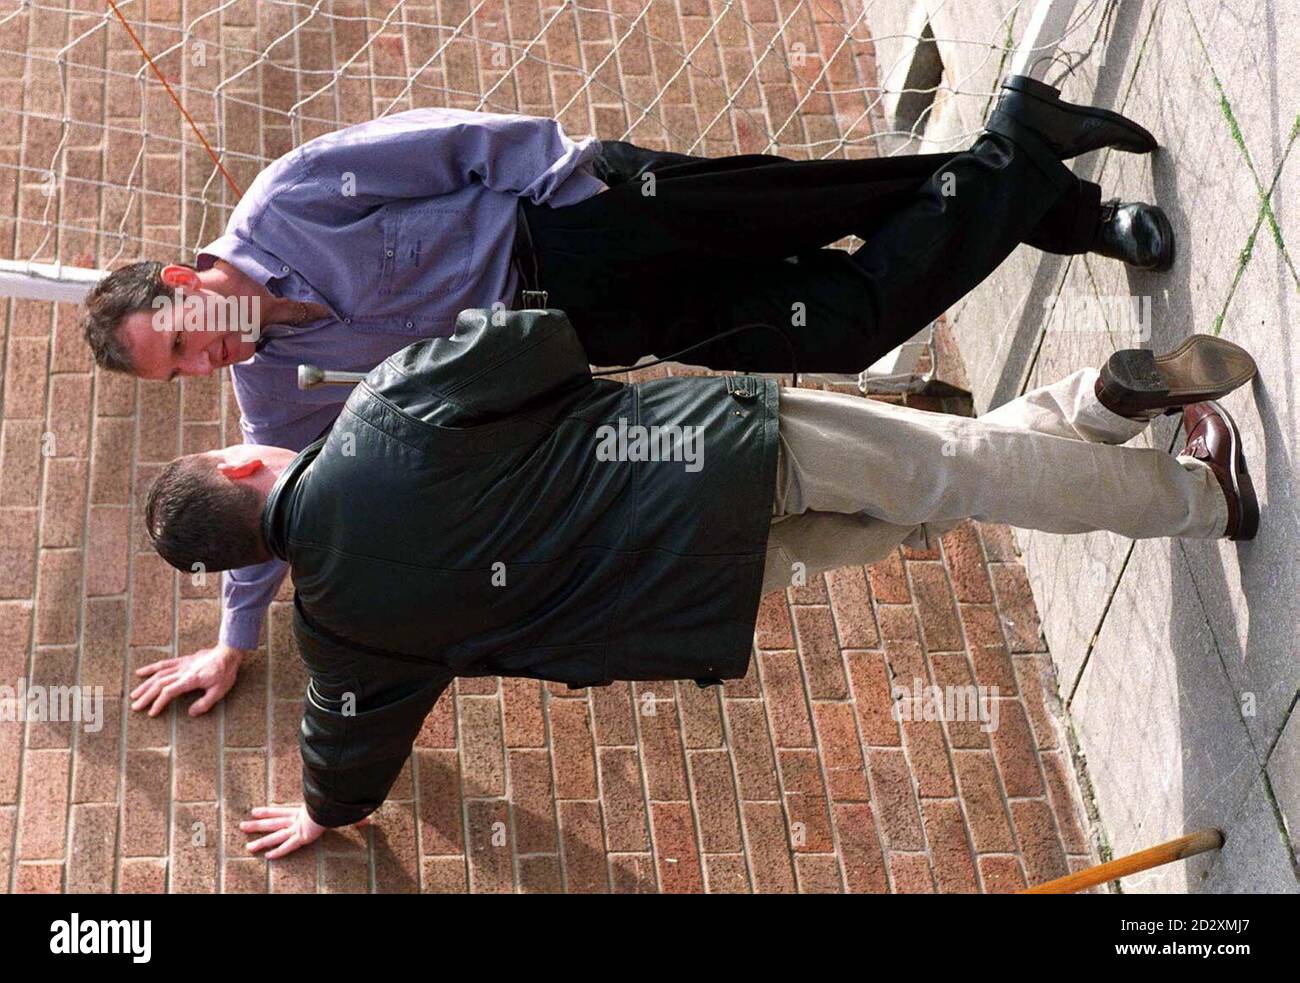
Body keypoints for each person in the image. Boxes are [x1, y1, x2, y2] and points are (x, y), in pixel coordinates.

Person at [85, 75, 1175, 717]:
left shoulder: (294, 197)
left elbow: (467, 144)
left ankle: (1059, 204)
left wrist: (593, 191)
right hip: (593, 325)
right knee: (846, 323)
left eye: (181, 341)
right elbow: (263, 508)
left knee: (822, 203)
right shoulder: (276, 386)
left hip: (587, 215)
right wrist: (233, 641)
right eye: (175, 371)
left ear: (184, 283)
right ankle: (1023, 156)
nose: (199, 367)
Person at [141, 309, 1257, 857]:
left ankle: (1103, 409)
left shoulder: (341, 628)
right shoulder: (383, 413)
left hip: (702, 592)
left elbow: (349, 741)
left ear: (247, 558)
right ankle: (1202, 498)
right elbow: (539, 339)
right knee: (944, 470)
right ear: (243, 464)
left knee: (929, 501)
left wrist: (324, 812)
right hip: (710, 454)